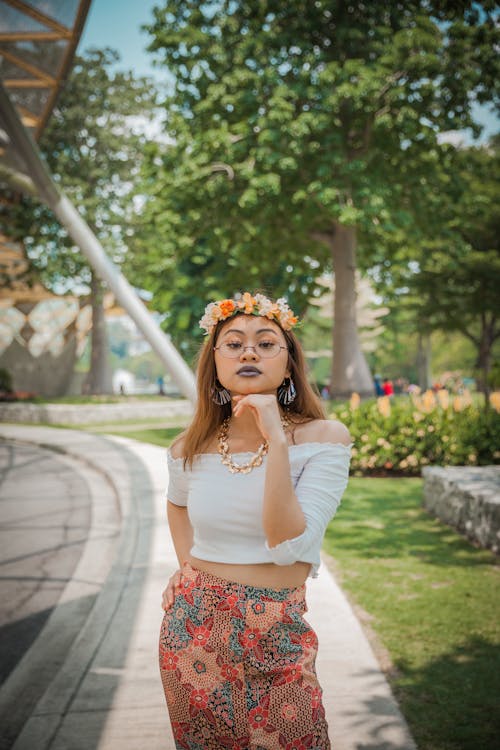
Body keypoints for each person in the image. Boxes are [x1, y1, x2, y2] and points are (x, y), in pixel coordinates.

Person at [159, 291, 352, 749]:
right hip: (194, 629)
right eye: (234, 343)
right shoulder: (188, 448)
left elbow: (287, 543)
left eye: (267, 343)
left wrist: (276, 441)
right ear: (216, 364)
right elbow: (177, 503)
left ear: (288, 366)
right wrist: (187, 567)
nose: (249, 351)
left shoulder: (324, 440)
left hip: (279, 626)